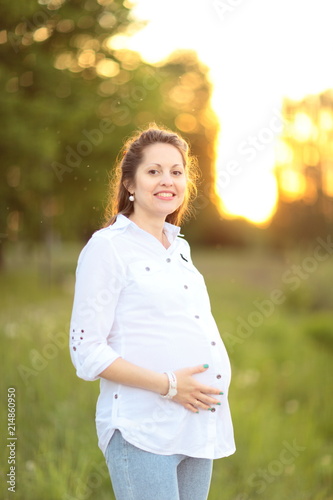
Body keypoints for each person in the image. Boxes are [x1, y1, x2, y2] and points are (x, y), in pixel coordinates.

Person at [69, 125, 236, 500]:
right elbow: (86, 351)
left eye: (177, 172)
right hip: (141, 429)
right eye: (154, 171)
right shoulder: (107, 247)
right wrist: (170, 385)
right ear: (130, 182)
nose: (168, 181)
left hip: (196, 427)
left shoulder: (180, 249)